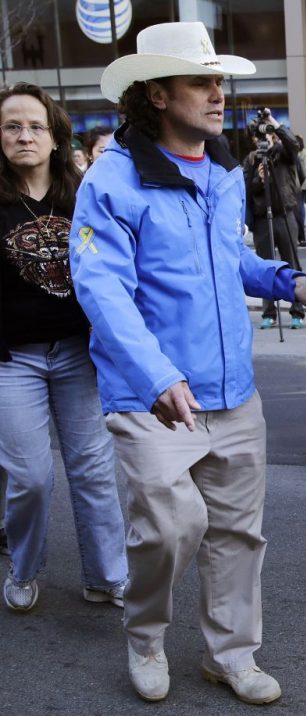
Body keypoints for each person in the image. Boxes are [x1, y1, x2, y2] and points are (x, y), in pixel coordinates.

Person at [70, 21, 306, 703]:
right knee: (170, 527)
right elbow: (101, 290)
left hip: (234, 391)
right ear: (156, 93)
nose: (219, 94)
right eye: (201, 82)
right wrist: (158, 377)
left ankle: (231, 654)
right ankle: (146, 634)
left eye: (220, 82)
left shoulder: (224, 173)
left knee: (239, 533)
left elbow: (228, 257)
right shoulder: (113, 181)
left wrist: (284, 281)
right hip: (151, 399)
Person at [0, 82, 128, 613]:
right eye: (11, 126)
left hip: (78, 353)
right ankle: (25, 567)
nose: (24, 135)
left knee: (94, 468)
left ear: (55, 136)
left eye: (35, 125)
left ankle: (106, 576)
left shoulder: (84, 194)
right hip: (12, 360)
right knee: (30, 477)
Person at [242, 110, 306, 329]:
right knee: (265, 265)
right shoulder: (252, 159)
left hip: (285, 214)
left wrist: (274, 123)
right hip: (262, 219)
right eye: (259, 137)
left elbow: (294, 145)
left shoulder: (284, 153)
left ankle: (297, 309)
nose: (264, 140)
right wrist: (259, 179)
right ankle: (269, 312)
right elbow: (248, 190)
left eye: (268, 135)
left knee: (291, 262)